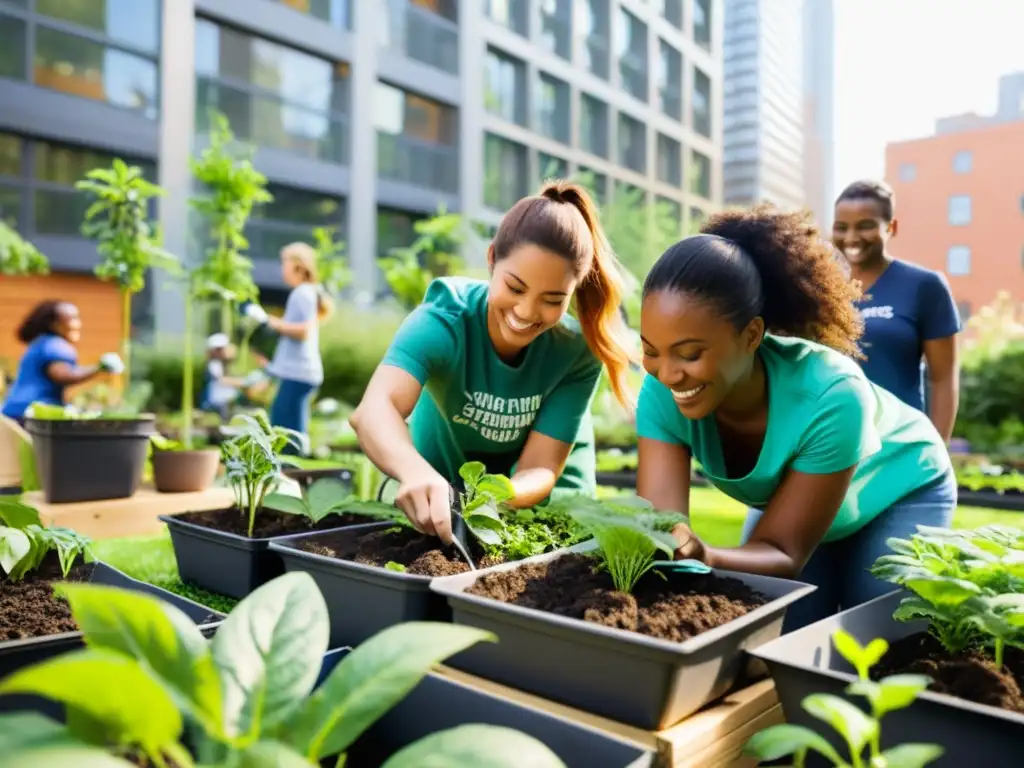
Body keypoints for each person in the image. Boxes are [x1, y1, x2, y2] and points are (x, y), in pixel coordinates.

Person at [634, 205, 956, 632]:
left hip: (900, 486)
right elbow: (665, 530)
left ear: (751, 335)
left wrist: (705, 554)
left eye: (690, 354)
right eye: (652, 350)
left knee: (876, 628)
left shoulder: (831, 394)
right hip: (800, 504)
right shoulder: (662, 392)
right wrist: (673, 547)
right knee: (778, 630)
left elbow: (782, 551)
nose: (668, 373)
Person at [350, 181, 635, 543]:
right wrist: (415, 473)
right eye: (515, 288)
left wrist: (483, 502)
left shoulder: (575, 351)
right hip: (441, 476)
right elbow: (374, 410)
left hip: (547, 495)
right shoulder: (444, 320)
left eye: (552, 299)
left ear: (573, 291)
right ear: (491, 259)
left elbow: (540, 467)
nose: (526, 312)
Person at [833, 180, 961, 441]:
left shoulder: (924, 285)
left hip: (901, 444)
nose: (851, 237)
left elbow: (943, 379)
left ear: (891, 227)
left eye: (865, 225)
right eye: (841, 227)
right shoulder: (817, 289)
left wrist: (937, 449)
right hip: (830, 443)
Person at [241, 242, 332, 443]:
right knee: (285, 431)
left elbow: (303, 331)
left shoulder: (302, 293)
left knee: (286, 434)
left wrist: (270, 321)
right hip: (299, 373)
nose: (282, 268)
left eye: (285, 263)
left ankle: (296, 471)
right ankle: (294, 470)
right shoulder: (307, 292)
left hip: (299, 374)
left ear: (298, 266)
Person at [1, 300, 123, 423]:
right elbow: (63, 375)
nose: (78, 324)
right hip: (31, 413)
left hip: (13, 411)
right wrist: (100, 367)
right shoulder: (56, 346)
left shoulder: (42, 343)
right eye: (72, 319)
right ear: (55, 325)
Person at [199, 333, 269, 419]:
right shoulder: (214, 365)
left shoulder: (225, 363)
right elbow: (222, 380)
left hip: (229, 399)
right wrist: (245, 382)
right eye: (220, 349)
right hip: (220, 401)